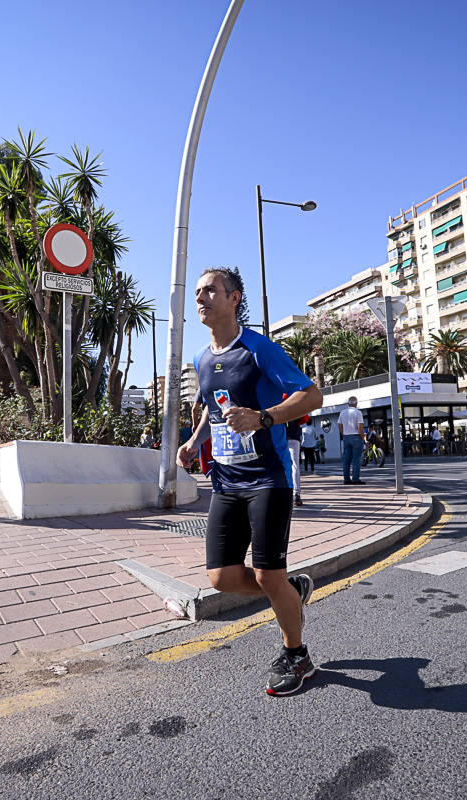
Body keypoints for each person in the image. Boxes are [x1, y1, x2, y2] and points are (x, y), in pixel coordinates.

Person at [176, 267, 323, 696]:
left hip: (267, 480)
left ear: (234, 298)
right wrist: (195, 441)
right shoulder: (203, 359)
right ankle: (291, 589)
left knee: (265, 574)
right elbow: (211, 406)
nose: (201, 297)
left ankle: (297, 656)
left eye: (210, 290)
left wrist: (264, 418)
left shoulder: (259, 349)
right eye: (198, 292)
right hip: (227, 481)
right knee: (220, 578)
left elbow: (311, 395)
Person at [338, 396, 365, 484]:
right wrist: (363, 437)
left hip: (346, 437)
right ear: (356, 403)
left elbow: (340, 425)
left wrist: (343, 434)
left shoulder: (342, 412)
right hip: (356, 436)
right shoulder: (358, 412)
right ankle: (355, 479)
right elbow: (360, 427)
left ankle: (346, 479)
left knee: (346, 459)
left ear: (348, 403)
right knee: (356, 459)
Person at [285, 411, 303, 507]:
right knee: (295, 465)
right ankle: (296, 493)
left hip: (282, 436)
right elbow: (305, 418)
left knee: (282, 465)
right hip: (294, 436)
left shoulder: (278, 401)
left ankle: (283, 492)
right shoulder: (296, 401)